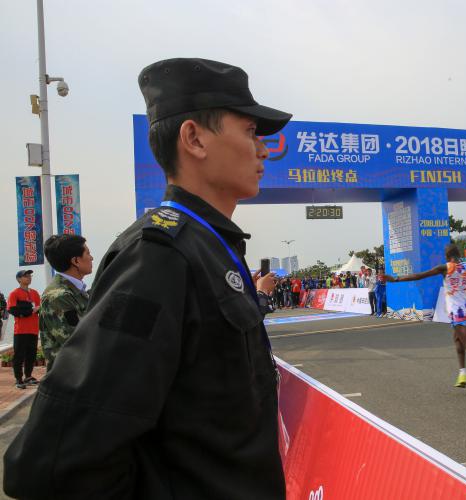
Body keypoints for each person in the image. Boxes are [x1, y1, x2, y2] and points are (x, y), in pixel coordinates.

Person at [4, 58, 291, 499]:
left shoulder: (210, 247)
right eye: (252, 132)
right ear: (194, 138)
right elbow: (57, 461)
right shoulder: (159, 256)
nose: (264, 149)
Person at [384, 244, 466, 406]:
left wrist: (396, 279)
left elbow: (419, 276)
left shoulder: (445, 268)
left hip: (457, 312)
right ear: (458, 255)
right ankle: (462, 374)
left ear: (447, 257)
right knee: (457, 338)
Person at [39, 234, 94, 372]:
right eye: (88, 253)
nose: (92, 258)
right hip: (69, 376)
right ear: (76, 261)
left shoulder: (75, 291)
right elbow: (77, 341)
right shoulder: (58, 296)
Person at [7, 270, 41, 389]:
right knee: (19, 356)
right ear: (19, 279)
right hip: (21, 330)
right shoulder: (14, 293)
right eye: (26, 276)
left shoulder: (35, 293)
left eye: (30, 275)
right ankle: (18, 379)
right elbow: (13, 310)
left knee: (31, 355)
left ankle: (28, 376)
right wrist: (30, 311)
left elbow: (39, 309)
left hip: (34, 329)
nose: (29, 277)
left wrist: (35, 310)